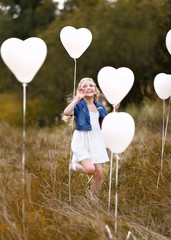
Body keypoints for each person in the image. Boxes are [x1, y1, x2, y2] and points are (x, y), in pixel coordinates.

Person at [63, 77, 119, 196]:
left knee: (98, 173)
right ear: (81, 90)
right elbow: (67, 112)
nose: (88, 87)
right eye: (85, 86)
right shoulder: (79, 105)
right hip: (82, 140)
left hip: (96, 141)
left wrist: (115, 110)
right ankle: (74, 166)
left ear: (95, 90)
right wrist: (77, 98)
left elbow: (108, 122)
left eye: (91, 85)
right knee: (90, 170)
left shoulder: (99, 106)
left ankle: (93, 199)